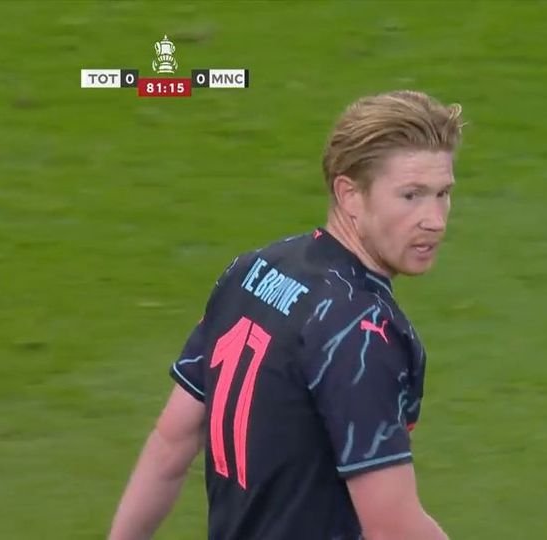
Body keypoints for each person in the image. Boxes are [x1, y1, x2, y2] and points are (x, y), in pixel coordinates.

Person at [108, 90, 464, 540]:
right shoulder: (361, 331)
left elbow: (170, 445)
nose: (435, 220)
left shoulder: (252, 270)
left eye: (443, 194)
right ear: (350, 195)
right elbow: (392, 527)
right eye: (411, 196)